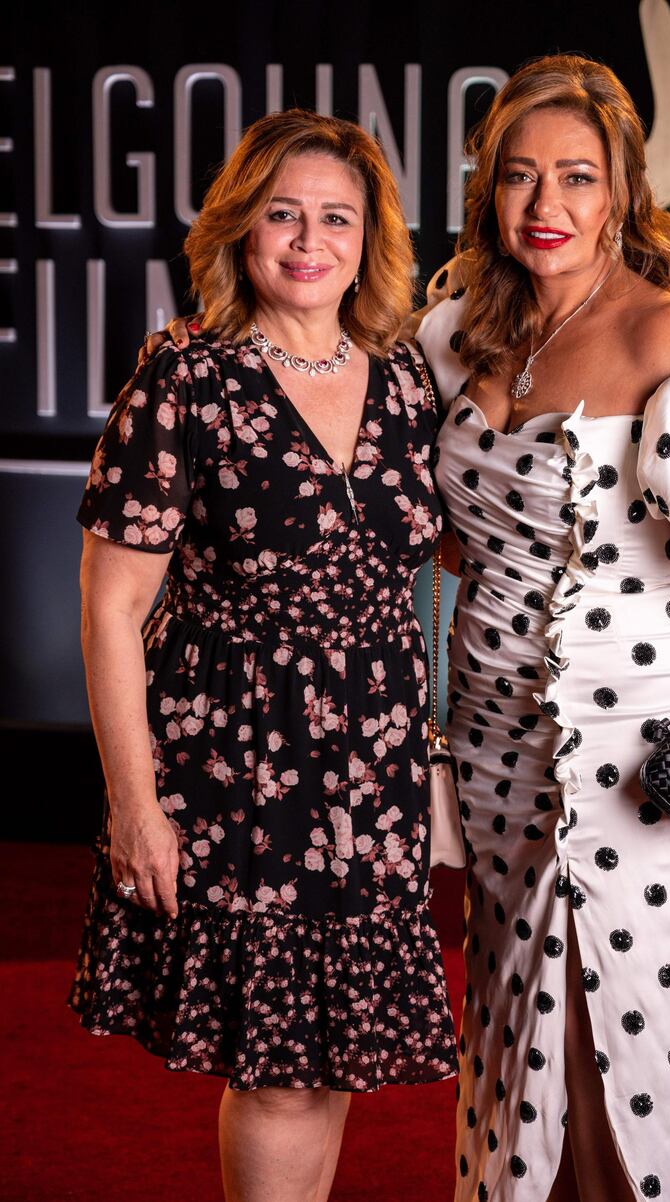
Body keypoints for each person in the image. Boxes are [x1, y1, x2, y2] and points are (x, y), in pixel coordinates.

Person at [409, 54, 670, 1202]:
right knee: (512, 1032)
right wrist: (429, 723)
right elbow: (439, 552)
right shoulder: (448, 339)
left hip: (636, 737)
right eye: (518, 177)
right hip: (491, 746)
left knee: (625, 1032)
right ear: (486, 191)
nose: (545, 207)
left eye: (575, 178)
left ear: (622, 191)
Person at [69, 109, 458, 1202]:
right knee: (280, 1068)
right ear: (241, 228)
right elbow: (109, 608)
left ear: (368, 238)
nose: (307, 239)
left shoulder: (401, 383)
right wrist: (133, 804)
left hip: (372, 779)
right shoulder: (184, 376)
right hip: (238, 768)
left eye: (336, 217)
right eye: (281, 212)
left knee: (327, 1060)